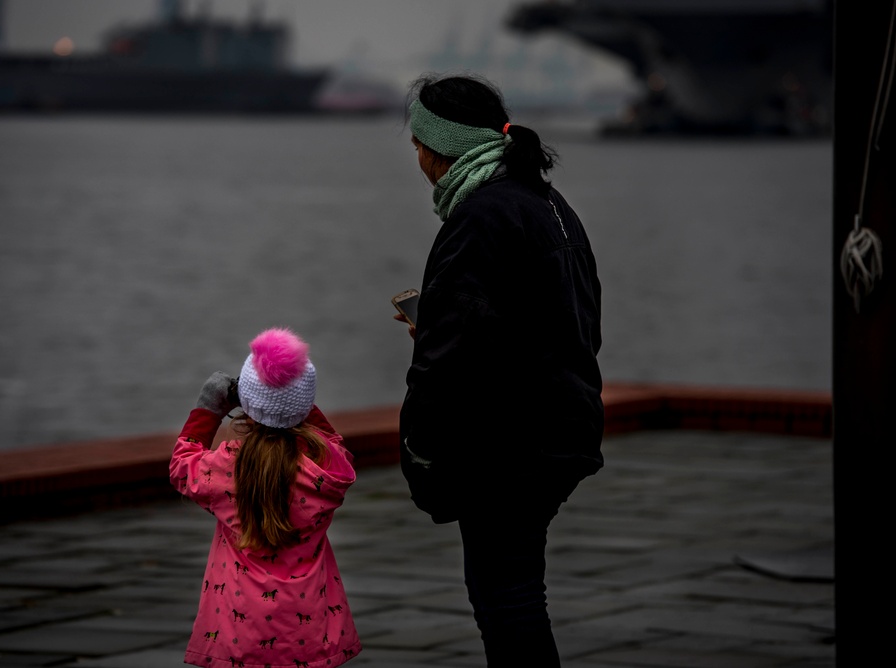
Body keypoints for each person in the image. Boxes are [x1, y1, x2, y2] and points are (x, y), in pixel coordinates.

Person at [395, 74, 605, 667]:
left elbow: (451, 359)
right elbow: (572, 322)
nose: (416, 159)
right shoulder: (546, 203)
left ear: (442, 147)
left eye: (418, 145)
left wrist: (424, 450)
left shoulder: (481, 217)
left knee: (505, 600)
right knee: (515, 591)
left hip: (508, 444)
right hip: (558, 426)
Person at [170, 327, 361, 668]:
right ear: (304, 404)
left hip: (237, 629)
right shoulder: (326, 467)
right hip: (312, 629)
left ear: (248, 401)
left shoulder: (230, 466)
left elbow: (182, 467)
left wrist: (209, 409)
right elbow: (336, 444)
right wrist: (298, 405)